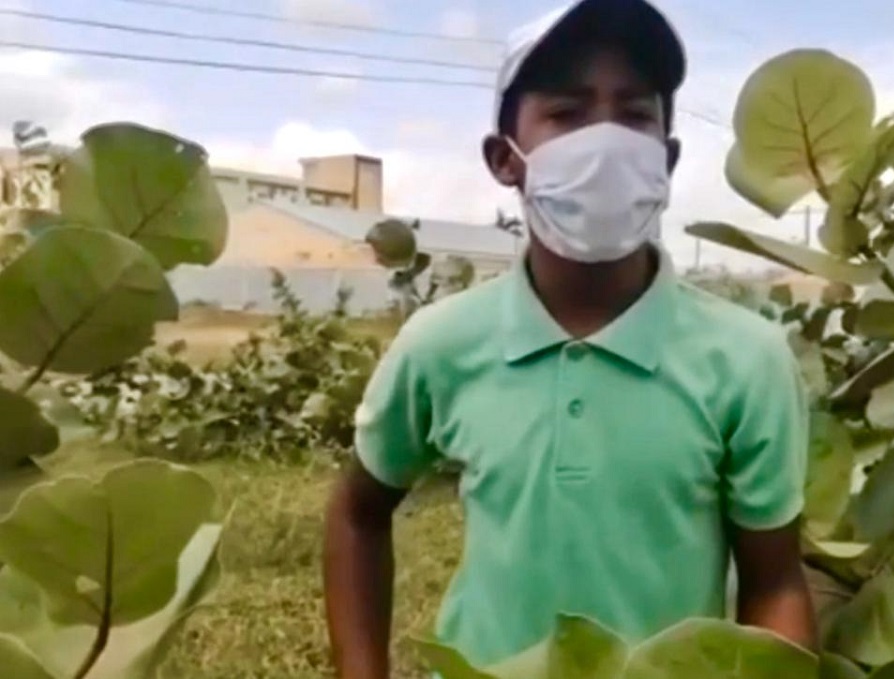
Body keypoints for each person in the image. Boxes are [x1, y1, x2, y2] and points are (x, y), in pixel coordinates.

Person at [322, 1, 818, 676]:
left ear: (666, 160)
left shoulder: (746, 358)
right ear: (506, 159)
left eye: (635, 114)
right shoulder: (442, 344)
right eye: (567, 113)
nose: (605, 139)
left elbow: (775, 581)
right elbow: (358, 512)